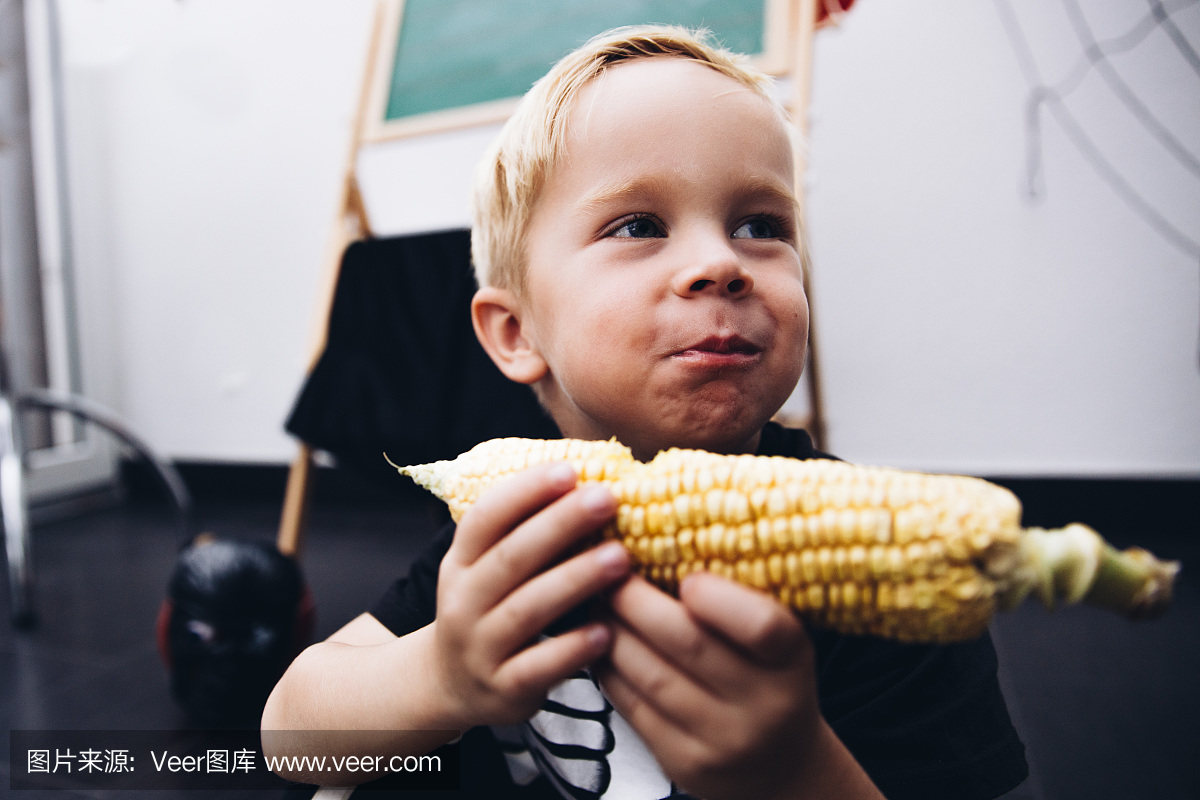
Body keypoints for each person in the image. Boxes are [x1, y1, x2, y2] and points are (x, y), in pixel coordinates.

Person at [262, 25, 1028, 799]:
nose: (720, 264)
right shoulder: (508, 539)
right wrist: (437, 676)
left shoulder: (884, 570)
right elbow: (291, 739)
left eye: (761, 225)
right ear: (517, 333)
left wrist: (796, 773)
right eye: (639, 226)